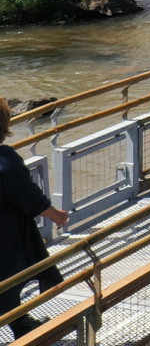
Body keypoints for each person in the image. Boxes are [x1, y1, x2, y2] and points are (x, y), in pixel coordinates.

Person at [1, 97, 70, 341]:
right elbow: (29, 197)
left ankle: (20, 323)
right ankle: (20, 323)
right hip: (7, 238)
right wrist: (57, 215)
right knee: (9, 281)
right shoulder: (6, 163)